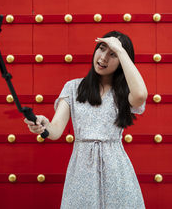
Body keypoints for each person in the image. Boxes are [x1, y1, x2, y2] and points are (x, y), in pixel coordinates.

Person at [24, 30, 148, 209]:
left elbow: (141, 94)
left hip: (117, 169)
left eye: (112, 54)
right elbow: (55, 130)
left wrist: (121, 50)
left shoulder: (124, 93)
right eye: (101, 48)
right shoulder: (73, 87)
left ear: (122, 61)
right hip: (82, 170)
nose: (103, 57)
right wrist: (43, 125)